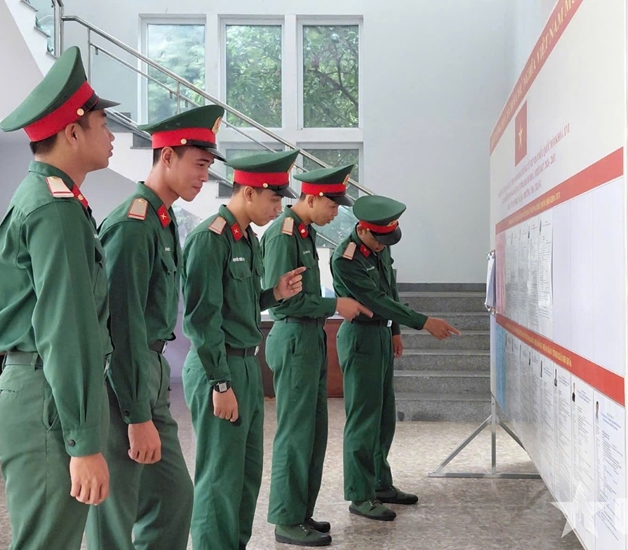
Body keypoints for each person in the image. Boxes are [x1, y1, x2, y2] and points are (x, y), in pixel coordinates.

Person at [0, 46, 116, 549]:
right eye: (102, 124)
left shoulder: (53, 198)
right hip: (46, 402)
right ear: (73, 133)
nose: (111, 136)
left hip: (42, 392)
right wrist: (82, 441)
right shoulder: (53, 208)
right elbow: (67, 327)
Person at [85, 104, 225, 550]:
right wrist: (137, 415)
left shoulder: (162, 221)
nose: (204, 176)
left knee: (172, 496)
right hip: (123, 377)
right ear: (167, 157)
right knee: (116, 507)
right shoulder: (133, 225)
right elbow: (121, 327)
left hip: (150, 371)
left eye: (207, 166)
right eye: (198, 164)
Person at [182, 149, 306, 549]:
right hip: (219, 368)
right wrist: (220, 383)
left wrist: (274, 293)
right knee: (220, 476)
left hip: (247, 365)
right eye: (273, 199)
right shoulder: (210, 238)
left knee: (247, 474)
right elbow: (202, 319)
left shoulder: (247, 237)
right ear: (249, 193)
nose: (277, 209)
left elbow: (240, 302)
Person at [260, 164, 372, 547]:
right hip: (294, 337)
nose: (336, 213)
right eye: (332, 205)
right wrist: (335, 303)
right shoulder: (283, 234)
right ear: (310, 198)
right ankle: (286, 519)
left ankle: (302, 512)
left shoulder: (304, 234)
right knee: (295, 434)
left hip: (310, 337)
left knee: (314, 432)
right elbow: (283, 302)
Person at [330, 195, 461, 522]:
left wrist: (395, 330)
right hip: (360, 337)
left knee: (384, 417)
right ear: (362, 229)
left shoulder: (379, 246)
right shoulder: (346, 259)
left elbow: (390, 289)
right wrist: (423, 322)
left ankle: (380, 484)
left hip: (380, 335)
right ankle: (360, 495)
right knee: (363, 420)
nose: (382, 246)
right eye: (379, 240)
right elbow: (376, 300)